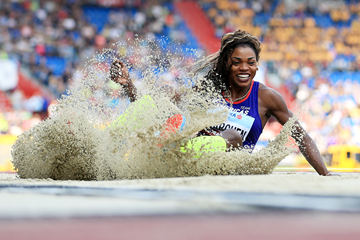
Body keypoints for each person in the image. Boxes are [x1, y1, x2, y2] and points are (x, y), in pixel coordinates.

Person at [110, 29, 334, 176]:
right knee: (163, 104)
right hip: (189, 159)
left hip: (228, 166)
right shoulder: (207, 88)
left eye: (250, 62)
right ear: (227, 63)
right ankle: (108, 149)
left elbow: (300, 135)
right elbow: (155, 112)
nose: (244, 68)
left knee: (233, 137)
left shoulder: (267, 97)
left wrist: (325, 173)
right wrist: (128, 85)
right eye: (237, 62)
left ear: (257, 66)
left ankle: (169, 155)